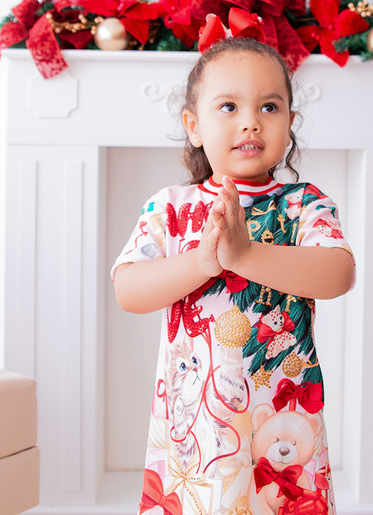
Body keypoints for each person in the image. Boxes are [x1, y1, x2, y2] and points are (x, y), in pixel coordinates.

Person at [111, 36, 355, 515]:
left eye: (270, 106)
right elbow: (128, 289)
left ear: (290, 122)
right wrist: (203, 262)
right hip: (196, 423)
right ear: (194, 125)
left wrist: (244, 255)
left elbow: (337, 273)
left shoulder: (304, 204)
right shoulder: (171, 207)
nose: (250, 121)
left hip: (283, 417)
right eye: (228, 106)